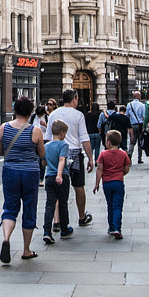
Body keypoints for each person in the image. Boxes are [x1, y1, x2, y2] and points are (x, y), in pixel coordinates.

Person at [0, 96, 45, 263]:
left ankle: (6, 238)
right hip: (30, 173)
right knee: (29, 208)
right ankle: (26, 250)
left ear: (15, 110)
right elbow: (42, 154)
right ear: (31, 112)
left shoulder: (3, 128)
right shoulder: (35, 130)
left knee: (10, 208)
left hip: (10, 171)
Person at [48, 89, 95, 227]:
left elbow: (48, 138)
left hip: (56, 153)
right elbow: (84, 138)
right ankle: (81, 217)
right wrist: (91, 158)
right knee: (79, 186)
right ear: (74, 99)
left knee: (58, 187)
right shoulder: (78, 115)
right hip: (74, 153)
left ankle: (56, 221)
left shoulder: (53, 114)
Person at [94, 129, 132, 238]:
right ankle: (117, 228)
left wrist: (97, 183)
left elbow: (99, 169)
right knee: (118, 206)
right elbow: (126, 168)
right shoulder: (123, 154)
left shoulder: (103, 154)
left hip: (107, 183)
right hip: (119, 182)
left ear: (108, 143)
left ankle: (111, 227)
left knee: (110, 205)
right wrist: (120, 174)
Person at [42, 119, 74, 244]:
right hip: (61, 177)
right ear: (61, 133)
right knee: (63, 203)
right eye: (65, 133)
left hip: (49, 177)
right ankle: (64, 229)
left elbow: (43, 162)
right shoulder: (63, 145)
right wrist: (59, 175)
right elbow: (62, 160)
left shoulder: (46, 146)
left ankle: (47, 231)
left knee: (50, 204)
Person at [127, 91, 148, 163]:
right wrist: (146, 126)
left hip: (132, 125)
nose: (141, 97)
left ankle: (129, 154)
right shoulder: (142, 105)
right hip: (140, 125)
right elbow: (144, 117)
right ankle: (139, 158)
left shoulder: (129, 105)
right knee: (140, 141)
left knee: (132, 141)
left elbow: (127, 115)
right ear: (138, 96)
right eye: (140, 95)